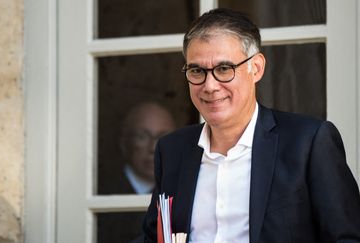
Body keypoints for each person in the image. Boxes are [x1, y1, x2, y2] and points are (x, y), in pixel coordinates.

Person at [142, 8, 360, 243]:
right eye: (197, 71)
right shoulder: (172, 149)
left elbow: (346, 238)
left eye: (224, 69)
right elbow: (153, 237)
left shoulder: (309, 142)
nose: (210, 85)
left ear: (255, 68)